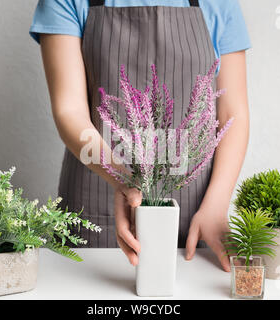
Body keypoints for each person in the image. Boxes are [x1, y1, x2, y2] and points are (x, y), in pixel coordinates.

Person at [30, 0, 250, 272]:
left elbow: (232, 113)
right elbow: (69, 110)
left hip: (196, 209)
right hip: (97, 195)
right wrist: (121, 178)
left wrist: (216, 204)